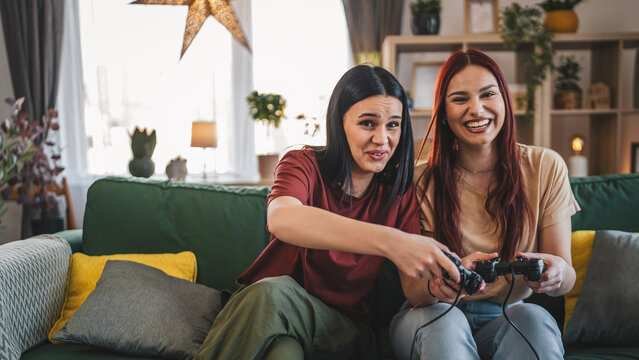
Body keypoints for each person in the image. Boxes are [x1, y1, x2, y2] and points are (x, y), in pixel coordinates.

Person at [194, 65, 460, 360]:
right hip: (276, 316)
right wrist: (391, 240)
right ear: (339, 123)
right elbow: (282, 218)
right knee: (279, 345)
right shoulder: (302, 163)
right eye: (368, 124)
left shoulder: (396, 191)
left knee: (269, 295)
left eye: (393, 125)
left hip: (343, 329)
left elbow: (414, 289)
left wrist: (439, 283)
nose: (382, 139)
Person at [389, 49, 580, 360]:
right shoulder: (418, 180)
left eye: (487, 94)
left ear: (505, 99)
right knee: (446, 325)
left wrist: (556, 273)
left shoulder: (545, 167)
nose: (476, 110)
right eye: (460, 99)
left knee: (534, 320)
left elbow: (566, 275)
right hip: (430, 315)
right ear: (443, 112)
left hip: (506, 317)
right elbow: (414, 290)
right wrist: (447, 280)